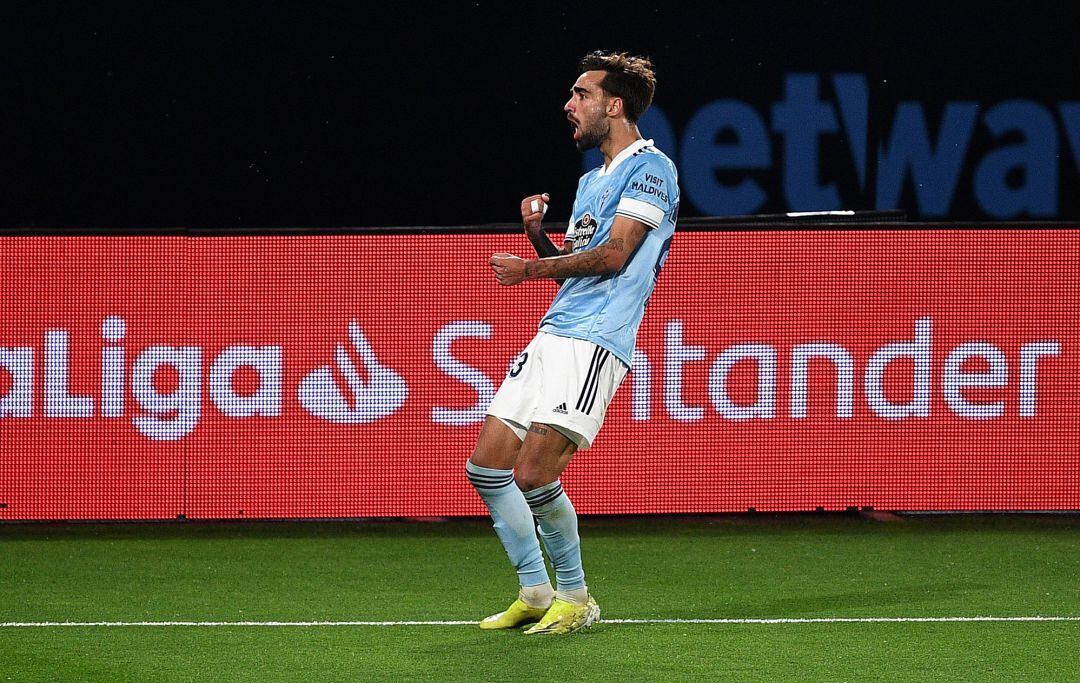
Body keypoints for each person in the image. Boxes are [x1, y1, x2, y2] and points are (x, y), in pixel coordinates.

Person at [467, 50, 679, 635]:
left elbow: (615, 257)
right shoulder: (591, 180)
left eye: (580, 94)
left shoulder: (651, 169)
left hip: (595, 339)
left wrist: (527, 272)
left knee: (534, 473)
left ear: (614, 105)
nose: (569, 105)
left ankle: (576, 595)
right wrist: (540, 239)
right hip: (555, 332)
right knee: (487, 467)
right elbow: (575, 266)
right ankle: (535, 590)